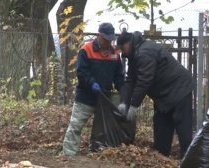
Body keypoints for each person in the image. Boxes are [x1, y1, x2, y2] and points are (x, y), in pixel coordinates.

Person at [116, 31, 194, 159]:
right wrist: (124, 102)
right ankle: (161, 156)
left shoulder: (145, 52)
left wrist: (134, 106)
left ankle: (188, 160)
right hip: (163, 94)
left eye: (122, 48)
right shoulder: (134, 55)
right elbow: (130, 80)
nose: (122, 53)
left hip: (179, 89)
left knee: (183, 126)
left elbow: (144, 81)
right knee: (161, 124)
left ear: (128, 44)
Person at [62, 23, 124, 155]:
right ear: (98, 35)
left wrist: (123, 90)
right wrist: (92, 84)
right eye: (105, 39)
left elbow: (119, 76)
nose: (108, 42)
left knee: (101, 128)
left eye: (110, 40)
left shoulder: (115, 54)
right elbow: (82, 72)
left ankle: (96, 152)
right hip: (85, 97)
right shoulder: (86, 50)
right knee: (76, 126)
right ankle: (68, 155)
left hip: (104, 98)